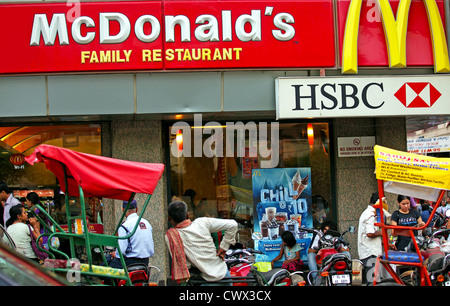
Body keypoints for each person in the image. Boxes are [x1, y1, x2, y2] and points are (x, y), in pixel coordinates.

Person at [165, 200, 238, 284]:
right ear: (187, 215)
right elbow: (233, 224)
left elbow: (186, 265)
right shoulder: (202, 222)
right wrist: (224, 247)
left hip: (205, 280)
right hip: (224, 274)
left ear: (169, 218)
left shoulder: (172, 235)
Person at [108, 200, 154, 269]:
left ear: (123, 209)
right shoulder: (147, 223)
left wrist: (116, 254)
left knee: (105, 266)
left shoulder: (125, 226)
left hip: (129, 262)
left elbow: (121, 250)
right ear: (137, 209)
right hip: (145, 261)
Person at [357, 192, 392, 283]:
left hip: (372, 252)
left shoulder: (372, 213)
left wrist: (385, 243)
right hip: (370, 253)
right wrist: (382, 233)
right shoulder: (370, 213)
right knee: (372, 281)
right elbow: (370, 233)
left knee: (375, 280)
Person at [307, 220, 351, 285]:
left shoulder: (337, 235)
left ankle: (347, 272)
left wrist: (340, 248)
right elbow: (310, 250)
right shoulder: (319, 235)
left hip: (334, 257)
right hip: (321, 257)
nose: (326, 231)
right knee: (310, 255)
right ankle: (315, 279)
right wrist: (319, 248)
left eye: (329, 229)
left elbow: (346, 249)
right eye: (325, 229)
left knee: (347, 254)